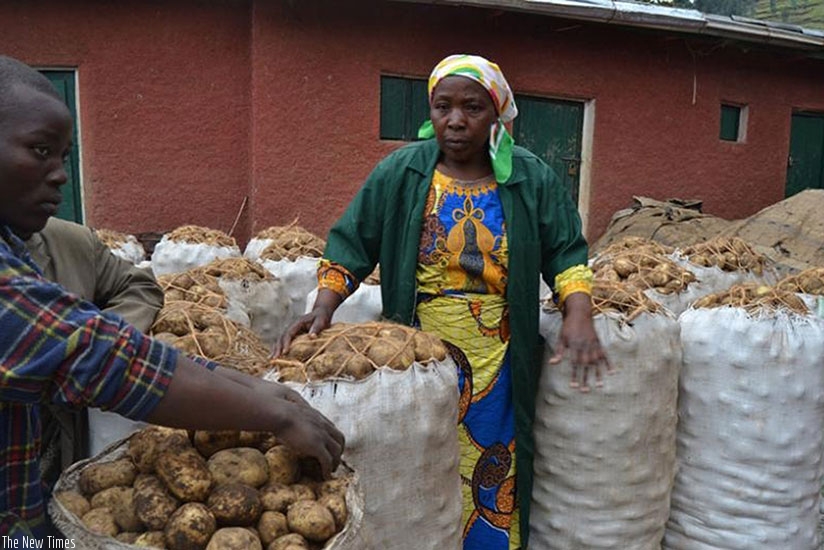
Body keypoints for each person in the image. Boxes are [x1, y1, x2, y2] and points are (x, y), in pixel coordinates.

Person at [0, 55, 345, 541]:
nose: (59, 174)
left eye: (63, 157)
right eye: (39, 151)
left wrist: (257, 390)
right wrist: (273, 411)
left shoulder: (17, 243)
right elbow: (99, 357)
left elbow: (110, 338)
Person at [279, 54, 608, 549]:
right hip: (418, 352)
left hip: (498, 355)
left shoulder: (528, 177)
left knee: (492, 462)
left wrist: (578, 314)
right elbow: (354, 240)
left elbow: (565, 251)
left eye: (472, 107)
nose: (455, 120)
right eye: (443, 107)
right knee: (421, 460)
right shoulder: (402, 171)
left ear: (497, 113)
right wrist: (324, 305)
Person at [16, 217, 166, 489]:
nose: (59, 178)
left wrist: (102, 341)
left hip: (57, 449)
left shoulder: (72, 241)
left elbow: (138, 285)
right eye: (41, 169)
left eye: (59, 169)